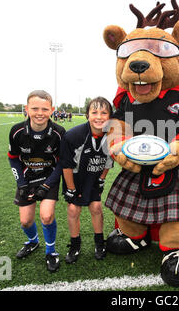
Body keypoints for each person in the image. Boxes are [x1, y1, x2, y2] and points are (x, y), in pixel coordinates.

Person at [7, 90, 66, 273]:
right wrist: (21, 183)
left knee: (46, 216)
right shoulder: (17, 131)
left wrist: (48, 185)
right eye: (34, 108)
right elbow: (13, 158)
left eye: (44, 109)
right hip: (27, 179)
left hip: (50, 177)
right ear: (26, 109)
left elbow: (62, 163)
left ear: (52, 110)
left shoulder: (59, 132)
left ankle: (51, 251)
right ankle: (33, 242)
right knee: (25, 221)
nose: (39, 113)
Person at [60, 97, 113, 263]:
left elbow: (108, 161)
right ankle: (75, 244)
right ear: (87, 115)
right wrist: (71, 188)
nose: (99, 116)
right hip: (75, 179)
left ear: (110, 116)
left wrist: (102, 179)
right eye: (94, 112)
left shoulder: (112, 136)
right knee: (73, 210)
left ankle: (99, 242)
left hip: (93, 178)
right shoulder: (74, 136)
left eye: (104, 113)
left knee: (96, 207)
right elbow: (67, 165)